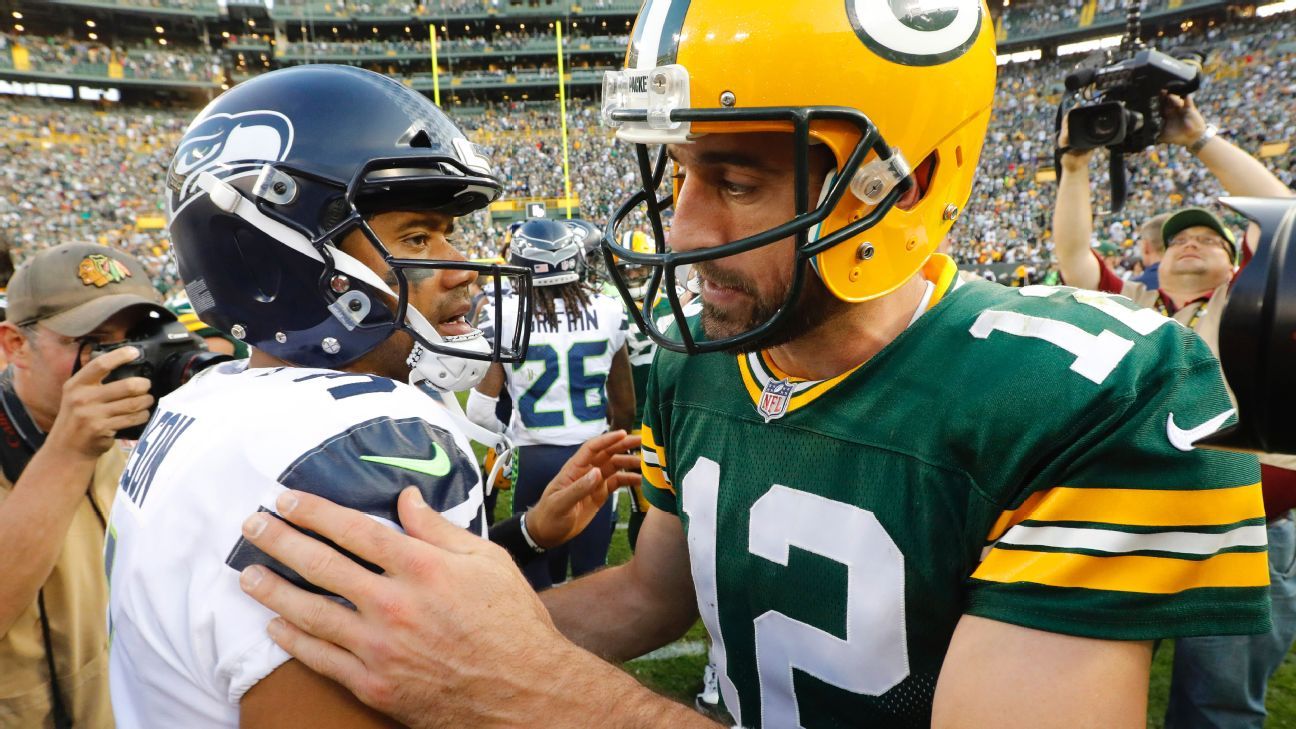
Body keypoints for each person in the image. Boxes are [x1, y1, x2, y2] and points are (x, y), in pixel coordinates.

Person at [237, 3, 1267, 727]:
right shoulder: (694, 361)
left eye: (734, 181)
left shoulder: (1085, 392)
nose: (684, 229)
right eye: (679, 173)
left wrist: (537, 692)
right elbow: (651, 591)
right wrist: (443, 642)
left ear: (899, 188)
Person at [103, 65, 640, 729]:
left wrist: (525, 535)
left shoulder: (209, 397)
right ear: (277, 261)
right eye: (417, 236)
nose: (460, 267)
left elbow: (422, 634)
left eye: (447, 233)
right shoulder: (369, 434)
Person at [1053, 94, 1296, 729]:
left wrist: (1198, 139)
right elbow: (1073, 257)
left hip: (1244, 524)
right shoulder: (1134, 297)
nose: (1190, 243)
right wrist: (1074, 167)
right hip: (1135, 515)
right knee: (1090, 685)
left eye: (1208, 238)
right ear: (1157, 261)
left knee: (1218, 701)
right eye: (1178, 238)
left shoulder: (1259, 298)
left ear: (1236, 261)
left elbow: (1286, 216)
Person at [0, 242, 162, 728]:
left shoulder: (119, 437)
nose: (125, 359)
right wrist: (69, 452)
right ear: (15, 344)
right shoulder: (83, 438)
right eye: (94, 341)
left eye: (138, 338)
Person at [468, 217, 635, 588]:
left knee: (538, 576)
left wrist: (509, 441)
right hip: (592, 454)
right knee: (592, 573)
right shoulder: (608, 309)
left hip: (534, 459)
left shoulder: (504, 313)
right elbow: (625, 407)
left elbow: (478, 411)